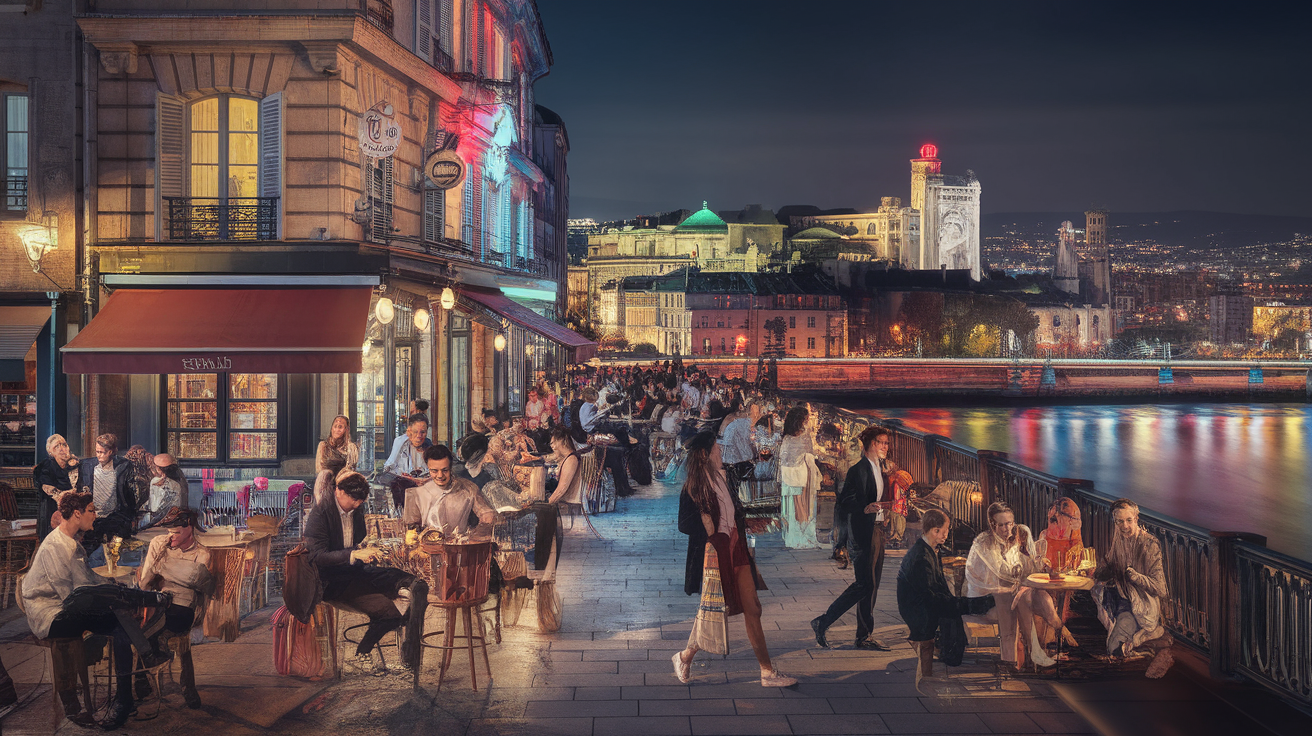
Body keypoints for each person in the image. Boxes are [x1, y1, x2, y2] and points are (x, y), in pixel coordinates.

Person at [22, 491, 171, 728]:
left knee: (120, 626)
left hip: (71, 604)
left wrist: (112, 587)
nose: (95, 515)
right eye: (91, 510)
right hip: (50, 612)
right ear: (77, 513)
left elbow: (88, 580)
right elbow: (71, 596)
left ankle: (124, 699)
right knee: (116, 607)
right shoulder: (54, 546)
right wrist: (112, 596)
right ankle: (149, 623)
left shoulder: (73, 544)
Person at [673, 431, 797, 688]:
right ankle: (685, 656)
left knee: (753, 608)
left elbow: (737, 501)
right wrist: (706, 523)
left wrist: (753, 521)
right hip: (716, 554)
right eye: (716, 448)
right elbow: (684, 524)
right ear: (705, 455)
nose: (721, 451)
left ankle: (767, 672)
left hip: (737, 547)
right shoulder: (693, 487)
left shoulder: (725, 475)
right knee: (713, 612)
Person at [304, 472, 423, 676]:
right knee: (389, 613)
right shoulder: (320, 514)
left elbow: (358, 540)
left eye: (360, 500)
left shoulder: (356, 509)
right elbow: (316, 556)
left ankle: (409, 647)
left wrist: (368, 549)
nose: (358, 504)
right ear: (339, 491)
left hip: (355, 571)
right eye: (354, 499)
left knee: (408, 580)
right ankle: (363, 652)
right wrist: (354, 554)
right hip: (332, 581)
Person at [811, 425, 897, 650]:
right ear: (869, 445)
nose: (885, 447)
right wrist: (864, 508)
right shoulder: (858, 470)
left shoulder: (881, 469)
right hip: (861, 533)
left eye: (886, 443)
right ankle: (824, 621)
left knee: (872, 585)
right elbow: (844, 502)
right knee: (864, 584)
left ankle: (864, 635)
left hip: (877, 531)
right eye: (881, 443)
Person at [896, 508, 996, 691]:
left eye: (946, 530)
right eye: (943, 530)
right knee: (960, 612)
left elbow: (939, 591)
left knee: (959, 614)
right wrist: (972, 605)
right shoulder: (922, 557)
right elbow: (933, 599)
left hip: (922, 604)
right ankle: (930, 674)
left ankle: (947, 656)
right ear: (933, 530)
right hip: (918, 611)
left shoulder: (929, 550)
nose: (946, 534)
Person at [964, 502, 1063, 668]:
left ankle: (1049, 636)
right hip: (983, 598)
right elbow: (1001, 574)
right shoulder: (984, 543)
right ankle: (1036, 650)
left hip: (1008, 593)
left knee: (1032, 595)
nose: (1007, 529)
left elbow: (1021, 571)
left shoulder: (1012, 540)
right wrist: (1022, 580)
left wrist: (1041, 565)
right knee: (1020, 596)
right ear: (992, 525)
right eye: (1002, 525)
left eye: (1010, 523)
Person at [135, 507, 213, 708]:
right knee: (141, 624)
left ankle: (146, 675)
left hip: (184, 608)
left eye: (176, 532)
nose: (171, 537)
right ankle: (143, 678)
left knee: (151, 629)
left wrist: (161, 568)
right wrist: (156, 563)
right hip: (160, 602)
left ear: (190, 528)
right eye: (169, 532)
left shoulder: (202, 554)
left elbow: (193, 580)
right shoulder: (159, 543)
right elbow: (145, 583)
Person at [1093, 498, 1175, 678]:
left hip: (1141, 605)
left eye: (1129, 520)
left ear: (1137, 518)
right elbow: (1109, 564)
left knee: (1113, 647)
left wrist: (1137, 577)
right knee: (1096, 597)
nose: (1124, 526)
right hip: (1122, 599)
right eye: (1119, 522)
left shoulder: (1149, 544)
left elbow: (1161, 589)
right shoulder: (1119, 538)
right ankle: (1135, 641)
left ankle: (1149, 635)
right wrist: (1097, 570)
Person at [403, 445, 495, 535]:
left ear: (450, 468)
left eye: (445, 470)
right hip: (428, 544)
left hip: (460, 543)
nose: (440, 475)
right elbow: (410, 530)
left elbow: (487, 514)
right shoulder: (417, 493)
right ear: (428, 468)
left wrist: (477, 532)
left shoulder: (468, 488)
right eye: (434, 471)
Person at [76, 433, 135, 556]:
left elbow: (129, 494)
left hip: (114, 516)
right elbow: (80, 490)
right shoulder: (86, 465)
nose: (99, 455)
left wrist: (132, 516)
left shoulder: (123, 466)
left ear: (111, 452)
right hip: (93, 517)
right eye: (97, 452)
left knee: (116, 552)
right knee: (88, 552)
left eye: (102, 452)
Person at [777, 407, 821, 549]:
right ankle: (804, 534)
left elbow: (783, 456)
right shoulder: (805, 435)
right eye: (806, 419)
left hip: (788, 474)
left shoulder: (786, 437)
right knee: (804, 505)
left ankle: (795, 534)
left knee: (794, 506)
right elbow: (810, 453)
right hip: (801, 473)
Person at [379, 413, 432, 510]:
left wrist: (427, 479)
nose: (419, 436)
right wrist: (409, 479)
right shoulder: (401, 443)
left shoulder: (429, 445)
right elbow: (388, 469)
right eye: (415, 432)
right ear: (409, 431)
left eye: (423, 432)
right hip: (403, 492)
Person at [34, 433, 78, 539]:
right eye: (56, 446)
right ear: (50, 451)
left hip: (71, 510)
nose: (61, 448)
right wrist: (71, 493)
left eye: (64, 444)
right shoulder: (45, 466)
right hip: (52, 510)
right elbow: (49, 490)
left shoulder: (74, 465)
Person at [140, 453, 188, 530]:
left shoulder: (158, 482)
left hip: (162, 520)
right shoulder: (179, 482)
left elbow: (157, 507)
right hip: (172, 519)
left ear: (158, 469)